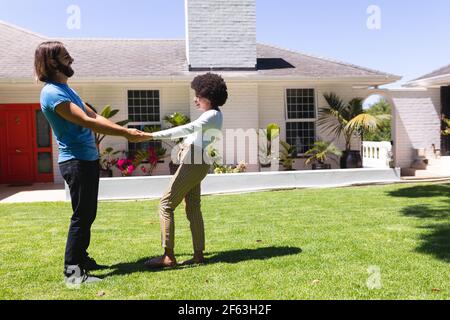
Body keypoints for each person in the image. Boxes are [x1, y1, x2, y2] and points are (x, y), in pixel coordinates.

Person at [35, 41, 148, 284]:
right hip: (75, 161)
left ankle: (82, 259)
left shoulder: (67, 89)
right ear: (53, 63)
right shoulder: (52, 93)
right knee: (81, 216)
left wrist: (124, 130)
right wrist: (126, 134)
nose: (71, 59)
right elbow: (87, 122)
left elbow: (94, 115)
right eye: (66, 56)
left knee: (88, 214)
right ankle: (72, 273)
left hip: (86, 159)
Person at [144, 73, 228, 268]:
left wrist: (150, 135)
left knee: (165, 204)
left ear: (208, 96)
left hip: (194, 160)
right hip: (196, 160)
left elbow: (186, 129)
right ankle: (198, 255)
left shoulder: (212, 115)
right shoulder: (212, 115)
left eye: (198, 95)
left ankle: (168, 257)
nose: (195, 99)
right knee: (193, 208)